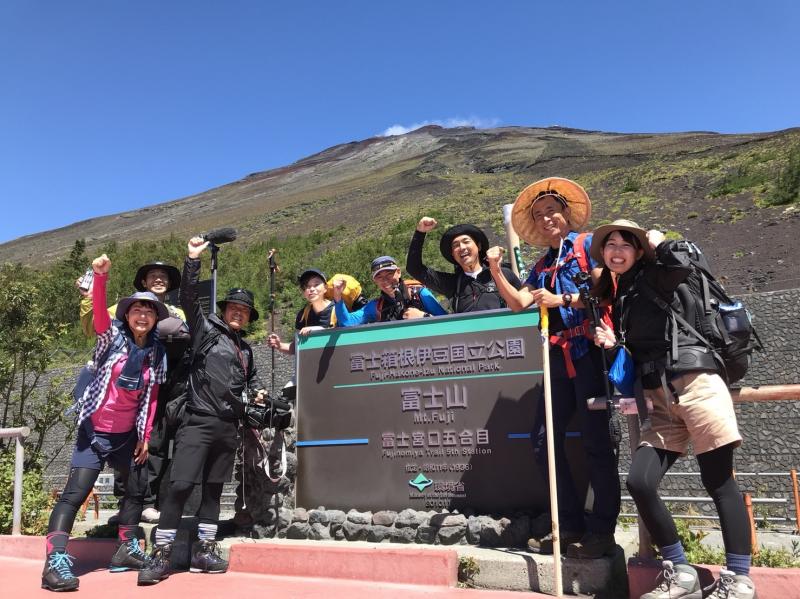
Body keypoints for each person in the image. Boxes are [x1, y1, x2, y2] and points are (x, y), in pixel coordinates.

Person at [590, 220, 756, 599]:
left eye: (625, 244)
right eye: (609, 245)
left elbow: (682, 261)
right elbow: (642, 351)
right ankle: (680, 571)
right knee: (640, 481)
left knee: (718, 481)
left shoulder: (659, 274)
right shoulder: (625, 293)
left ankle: (739, 580)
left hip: (695, 384)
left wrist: (660, 242)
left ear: (639, 250)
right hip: (660, 398)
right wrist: (615, 344)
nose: (616, 250)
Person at [486, 177, 620, 558]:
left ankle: (601, 532)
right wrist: (495, 269)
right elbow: (518, 303)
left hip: (590, 354)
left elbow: (606, 290)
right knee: (543, 440)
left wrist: (562, 299)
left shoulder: (587, 246)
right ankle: (569, 524)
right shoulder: (542, 267)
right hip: (558, 359)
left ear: (565, 213)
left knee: (596, 443)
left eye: (552, 211)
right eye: (539, 215)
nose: (547, 219)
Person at [138, 237, 263, 586]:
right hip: (198, 421)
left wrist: (260, 395)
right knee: (179, 486)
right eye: (233, 307)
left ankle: (204, 550)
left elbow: (252, 381)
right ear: (224, 310)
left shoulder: (246, 350)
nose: (238, 312)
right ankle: (161, 553)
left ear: (249, 317)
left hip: (228, 427)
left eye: (244, 310)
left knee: (213, 490)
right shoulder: (205, 330)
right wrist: (192, 260)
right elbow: (189, 297)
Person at [42, 254, 168, 592]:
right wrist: (100, 279)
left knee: (137, 489)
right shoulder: (110, 337)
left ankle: (126, 548)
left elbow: (152, 397)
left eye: (150, 311)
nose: (143, 315)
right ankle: (54, 563)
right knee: (75, 493)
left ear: (156, 318)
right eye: (137, 309)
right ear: (127, 314)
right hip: (94, 432)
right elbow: (99, 315)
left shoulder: (156, 353)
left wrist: (144, 436)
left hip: (127, 435)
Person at [77, 260, 186, 525]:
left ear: (170, 284)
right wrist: (89, 297)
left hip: (163, 383)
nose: (158, 279)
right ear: (143, 282)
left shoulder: (179, 313)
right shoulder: (123, 307)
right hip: (127, 387)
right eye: (153, 276)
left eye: (163, 276)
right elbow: (93, 325)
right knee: (126, 443)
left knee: (157, 444)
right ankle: (124, 504)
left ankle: (148, 502)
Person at [406, 218, 521, 312]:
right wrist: (420, 232)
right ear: (453, 254)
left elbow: (524, 304)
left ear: (479, 246)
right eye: (456, 245)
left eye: (466, 242)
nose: (462, 247)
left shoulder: (503, 274)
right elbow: (414, 268)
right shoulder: (452, 284)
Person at [333, 255, 447, 326]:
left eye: (389, 274)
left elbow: (448, 323)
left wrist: (424, 317)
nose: (385, 280)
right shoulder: (376, 307)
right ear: (375, 281)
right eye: (379, 277)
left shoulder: (420, 294)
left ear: (398, 272)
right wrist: (338, 297)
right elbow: (348, 323)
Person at [267, 268, 335, 355]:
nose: (311, 289)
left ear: (325, 288)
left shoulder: (337, 310)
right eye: (307, 286)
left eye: (316, 284)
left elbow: (346, 338)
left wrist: (317, 330)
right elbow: (295, 348)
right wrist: (279, 345)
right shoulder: (303, 315)